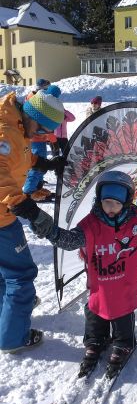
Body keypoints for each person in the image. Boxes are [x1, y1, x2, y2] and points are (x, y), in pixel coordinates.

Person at [30, 170, 137, 378]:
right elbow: (69, 240)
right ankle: (96, 340)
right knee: (95, 309)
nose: (110, 208)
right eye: (106, 202)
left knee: (122, 311)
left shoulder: (136, 221)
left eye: (116, 203)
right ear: (98, 200)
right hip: (100, 285)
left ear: (127, 202)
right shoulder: (91, 225)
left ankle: (123, 343)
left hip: (124, 285)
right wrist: (48, 229)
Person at [0, 89, 65, 353]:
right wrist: (21, 203)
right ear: (33, 116)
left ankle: (8, 317)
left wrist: (43, 164)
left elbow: (20, 155)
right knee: (21, 274)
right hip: (3, 215)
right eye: (40, 130)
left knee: (5, 272)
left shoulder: (16, 121)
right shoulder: (6, 130)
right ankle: (13, 338)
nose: (38, 136)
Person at [23, 85, 62, 201]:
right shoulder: (7, 132)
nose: (39, 133)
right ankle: (30, 190)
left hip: (34, 143)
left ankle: (36, 187)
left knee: (38, 164)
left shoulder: (23, 127)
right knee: (37, 168)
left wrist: (47, 164)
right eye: (41, 130)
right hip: (38, 143)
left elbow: (26, 160)